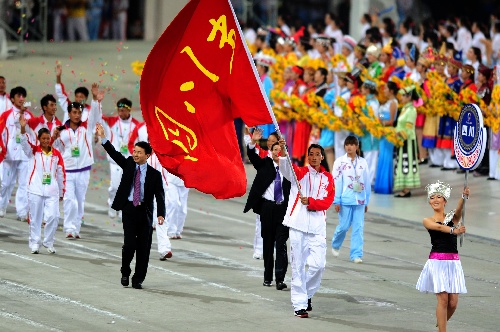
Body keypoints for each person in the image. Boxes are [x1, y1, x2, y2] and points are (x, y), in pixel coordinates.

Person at [96, 122, 165, 289]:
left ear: (148, 155)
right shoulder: (128, 164)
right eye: (134, 151)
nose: (135, 154)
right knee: (129, 245)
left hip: (145, 212)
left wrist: (160, 214)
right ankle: (125, 270)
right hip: (128, 209)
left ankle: (138, 279)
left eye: (139, 152)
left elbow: (160, 196)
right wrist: (103, 138)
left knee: (144, 248)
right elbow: (114, 153)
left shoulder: (155, 175)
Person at [278, 138, 334, 318]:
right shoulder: (300, 173)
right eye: (311, 154)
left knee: (319, 265)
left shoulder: (328, 178)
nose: (314, 157)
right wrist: (284, 151)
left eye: (317, 154)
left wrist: (310, 202)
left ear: (322, 157)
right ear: (307, 157)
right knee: (298, 266)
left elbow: (327, 202)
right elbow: (286, 169)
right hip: (297, 226)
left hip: (317, 228)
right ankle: (299, 304)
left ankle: (307, 294)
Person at [416, 181, 469, 332]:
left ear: (445, 201)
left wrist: (463, 198)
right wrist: (454, 231)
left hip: (453, 263)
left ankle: (441, 322)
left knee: (453, 303)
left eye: (439, 197)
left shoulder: (452, 219)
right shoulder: (428, 220)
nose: (435, 200)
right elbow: (439, 227)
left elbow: (458, 211)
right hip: (437, 262)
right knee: (443, 299)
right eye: (432, 197)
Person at [52, 83, 103, 238]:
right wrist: (54, 137)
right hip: (68, 170)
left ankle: (76, 229)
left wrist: (95, 99)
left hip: (83, 170)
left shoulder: (87, 127)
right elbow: (56, 149)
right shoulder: (61, 131)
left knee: (80, 201)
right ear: (69, 113)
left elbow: (95, 114)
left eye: (79, 112)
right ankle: (68, 228)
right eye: (74, 112)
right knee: (69, 200)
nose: (77, 115)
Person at [244, 133, 290, 290]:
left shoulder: (289, 169)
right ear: (271, 152)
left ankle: (280, 279)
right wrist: (252, 142)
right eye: (274, 149)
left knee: (281, 244)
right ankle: (267, 277)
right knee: (268, 244)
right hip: (267, 208)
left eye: (280, 149)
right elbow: (252, 156)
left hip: (283, 210)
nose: (277, 152)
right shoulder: (265, 164)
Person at [19, 119, 65, 254]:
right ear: (38, 139)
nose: (45, 141)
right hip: (35, 190)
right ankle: (34, 243)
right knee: (35, 218)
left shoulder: (56, 154)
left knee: (54, 216)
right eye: (43, 138)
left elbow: (61, 173)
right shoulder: (33, 151)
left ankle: (49, 242)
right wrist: (22, 129)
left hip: (52, 190)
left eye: (47, 138)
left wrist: (61, 191)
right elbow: (23, 143)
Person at [330, 135, 370, 263]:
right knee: (344, 226)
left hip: (360, 200)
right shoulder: (340, 162)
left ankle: (356, 254)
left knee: (358, 227)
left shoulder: (363, 162)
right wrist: (336, 200)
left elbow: (367, 182)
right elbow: (336, 182)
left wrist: (367, 200)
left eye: (352, 144)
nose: (349, 147)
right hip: (345, 199)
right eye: (347, 144)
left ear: (357, 147)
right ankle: (336, 244)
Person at [102, 98, 140, 219]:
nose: (120, 113)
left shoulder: (136, 125)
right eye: (119, 110)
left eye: (123, 110)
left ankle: (123, 208)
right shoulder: (111, 121)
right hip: (115, 161)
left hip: (129, 161)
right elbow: (97, 118)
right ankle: (112, 203)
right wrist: (97, 102)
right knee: (114, 186)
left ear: (129, 110)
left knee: (127, 187)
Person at [0, 86, 35, 221]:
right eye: (18, 96)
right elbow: (1, 132)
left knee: (24, 184)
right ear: (12, 98)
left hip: (24, 154)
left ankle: (21, 212)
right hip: (9, 154)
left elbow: (32, 134)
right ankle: (2, 206)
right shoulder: (6, 115)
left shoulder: (29, 115)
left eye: (23, 96)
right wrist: (2, 147)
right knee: (5, 183)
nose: (21, 99)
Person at [394, 86, 421, 197]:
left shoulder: (411, 110)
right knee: (402, 162)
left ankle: (407, 188)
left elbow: (409, 128)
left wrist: (399, 134)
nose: (401, 98)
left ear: (409, 97)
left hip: (407, 140)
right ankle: (404, 187)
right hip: (401, 139)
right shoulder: (405, 109)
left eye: (403, 96)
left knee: (407, 162)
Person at [374, 81, 398, 194]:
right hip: (382, 132)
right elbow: (382, 116)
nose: (384, 90)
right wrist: (379, 120)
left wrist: (381, 124)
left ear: (391, 90)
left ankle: (386, 186)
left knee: (387, 158)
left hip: (388, 132)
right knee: (382, 157)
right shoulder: (386, 102)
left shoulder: (393, 102)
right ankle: (380, 185)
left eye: (386, 88)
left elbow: (391, 120)